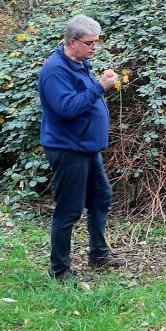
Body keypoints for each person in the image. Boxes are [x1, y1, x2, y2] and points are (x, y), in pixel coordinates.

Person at [37, 14, 126, 281]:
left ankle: (98, 255)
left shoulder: (80, 63)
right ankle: (60, 270)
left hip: (86, 148)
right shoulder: (55, 71)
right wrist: (100, 86)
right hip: (68, 149)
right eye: (89, 43)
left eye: (96, 42)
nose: (94, 47)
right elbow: (67, 109)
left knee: (102, 198)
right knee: (69, 210)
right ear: (72, 41)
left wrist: (96, 84)